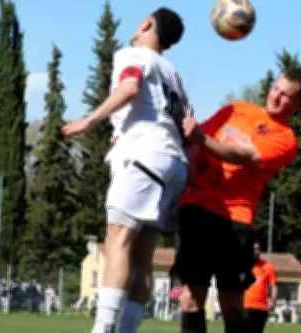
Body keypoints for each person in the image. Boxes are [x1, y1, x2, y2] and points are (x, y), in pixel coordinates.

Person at [61, 6, 188, 333]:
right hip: (173, 164)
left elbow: (129, 87)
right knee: (143, 256)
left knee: (117, 239)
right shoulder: (173, 74)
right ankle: (128, 329)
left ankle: (102, 328)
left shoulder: (134, 55)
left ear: (147, 23)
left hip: (144, 156)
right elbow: (185, 126)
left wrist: (90, 119)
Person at [173, 67, 301, 333]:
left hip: (236, 221)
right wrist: (192, 171)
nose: (275, 97)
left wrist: (201, 139)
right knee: (191, 297)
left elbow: (245, 155)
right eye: (275, 88)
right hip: (197, 209)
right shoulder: (237, 109)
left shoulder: (285, 139)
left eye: (285, 96)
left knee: (232, 304)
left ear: (299, 104)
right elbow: (192, 141)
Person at [244, 241, 278, 333]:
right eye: (254, 249)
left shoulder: (268, 267)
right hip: (245, 305)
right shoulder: (243, 265)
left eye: (258, 249)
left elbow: (274, 286)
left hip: (261, 307)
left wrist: (273, 300)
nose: (256, 251)